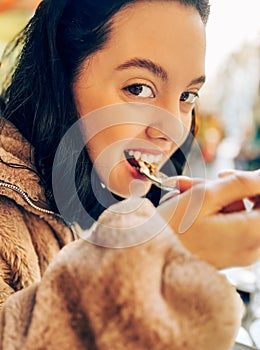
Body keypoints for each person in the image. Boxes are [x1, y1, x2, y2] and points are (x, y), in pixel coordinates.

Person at [0, 0, 259, 348]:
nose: (171, 129)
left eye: (187, 96)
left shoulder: (87, 195)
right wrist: (151, 260)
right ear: (61, 73)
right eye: (139, 89)